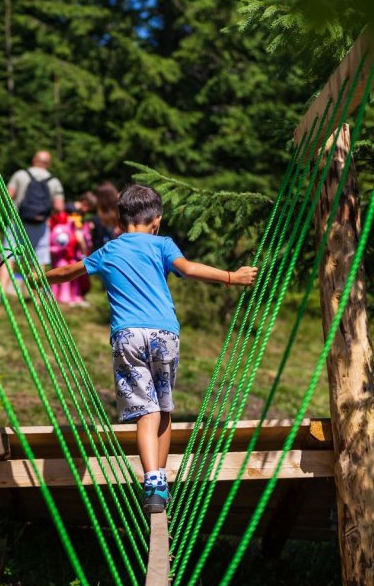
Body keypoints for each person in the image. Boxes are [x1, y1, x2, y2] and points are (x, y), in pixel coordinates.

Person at [44, 184, 258, 514]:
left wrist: (37, 278)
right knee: (164, 407)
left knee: (146, 409)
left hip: (128, 337)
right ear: (156, 220)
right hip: (164, 334)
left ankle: (153, 481)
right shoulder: (162, 244)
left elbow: (66, 272)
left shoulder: (108, 250)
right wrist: (232, 276)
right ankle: (159, 481)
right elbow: (188, 269)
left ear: (119, 219)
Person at [0, 150, 64, 293]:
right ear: (49, 164)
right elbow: (59, 207)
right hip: (41, 226)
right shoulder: (54, 181)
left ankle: (1, 292)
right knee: (39, 259)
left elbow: (7, 195)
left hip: (17, 222)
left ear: (34, 160)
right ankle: (36, 295)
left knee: (9, 255)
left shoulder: (20, 175)